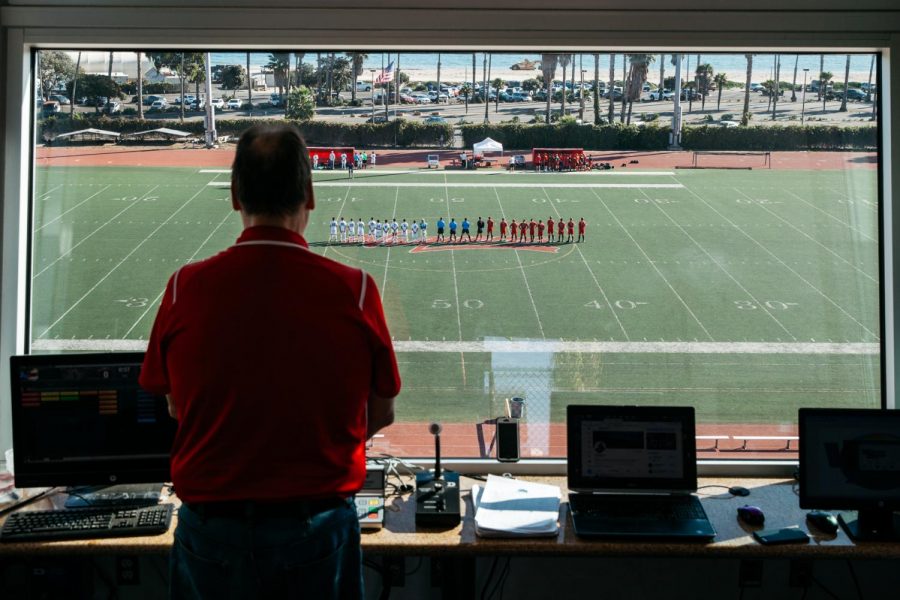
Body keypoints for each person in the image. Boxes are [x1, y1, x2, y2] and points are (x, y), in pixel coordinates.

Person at [140, 123, 400, 600]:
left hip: (212, 532)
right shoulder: (356, 290)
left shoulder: (183, 288)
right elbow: (381, 412)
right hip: (317, 527)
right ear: (310, 193)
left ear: (236, 195)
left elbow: (175, 406)